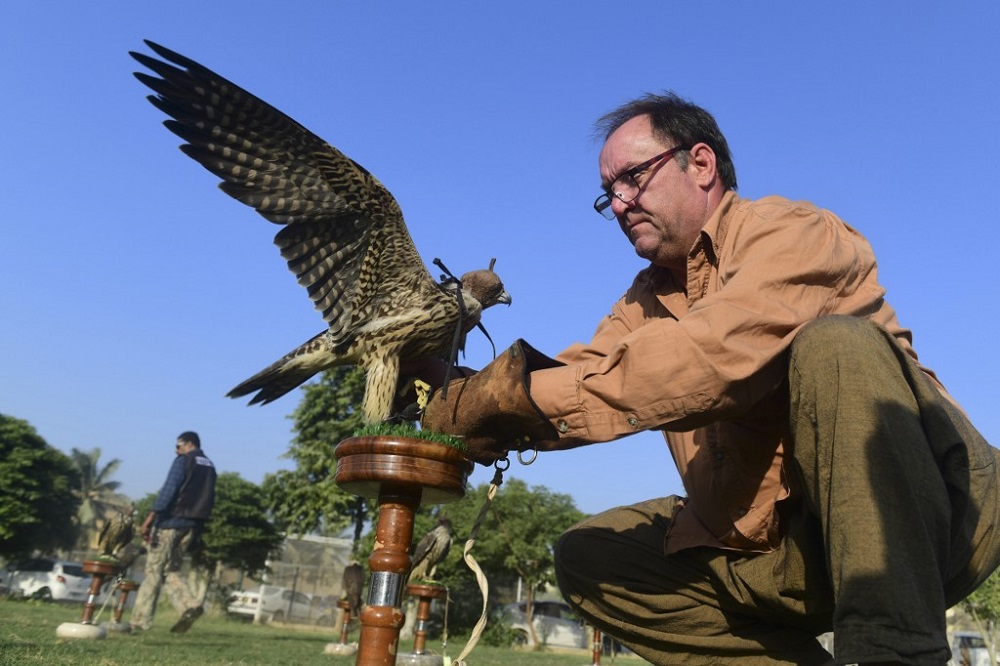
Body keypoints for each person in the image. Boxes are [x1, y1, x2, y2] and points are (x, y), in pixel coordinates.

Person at [419, 93, 1000, 665]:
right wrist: (452, 389)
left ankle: (895, 653)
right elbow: (579, 376)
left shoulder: (796, 232)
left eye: (632, 178)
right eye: (607, 195)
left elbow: (712, 357)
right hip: (776, 555)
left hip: (931, 526)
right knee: (588, 556)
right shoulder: (641, 299)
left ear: (700, 164)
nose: (619, 204)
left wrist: (501, 401)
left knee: (836, 346)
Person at [129, 431, 217, 634]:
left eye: (178, 446)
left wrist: (151, 517)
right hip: (192, 526)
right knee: (172, 569)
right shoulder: (210, 466)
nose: (176, 450)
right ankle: (190, 605)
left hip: (170, 523)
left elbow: (169, 490)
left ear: (189, 444)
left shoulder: (183, 461)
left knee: (154, 571)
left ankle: (139, 621)